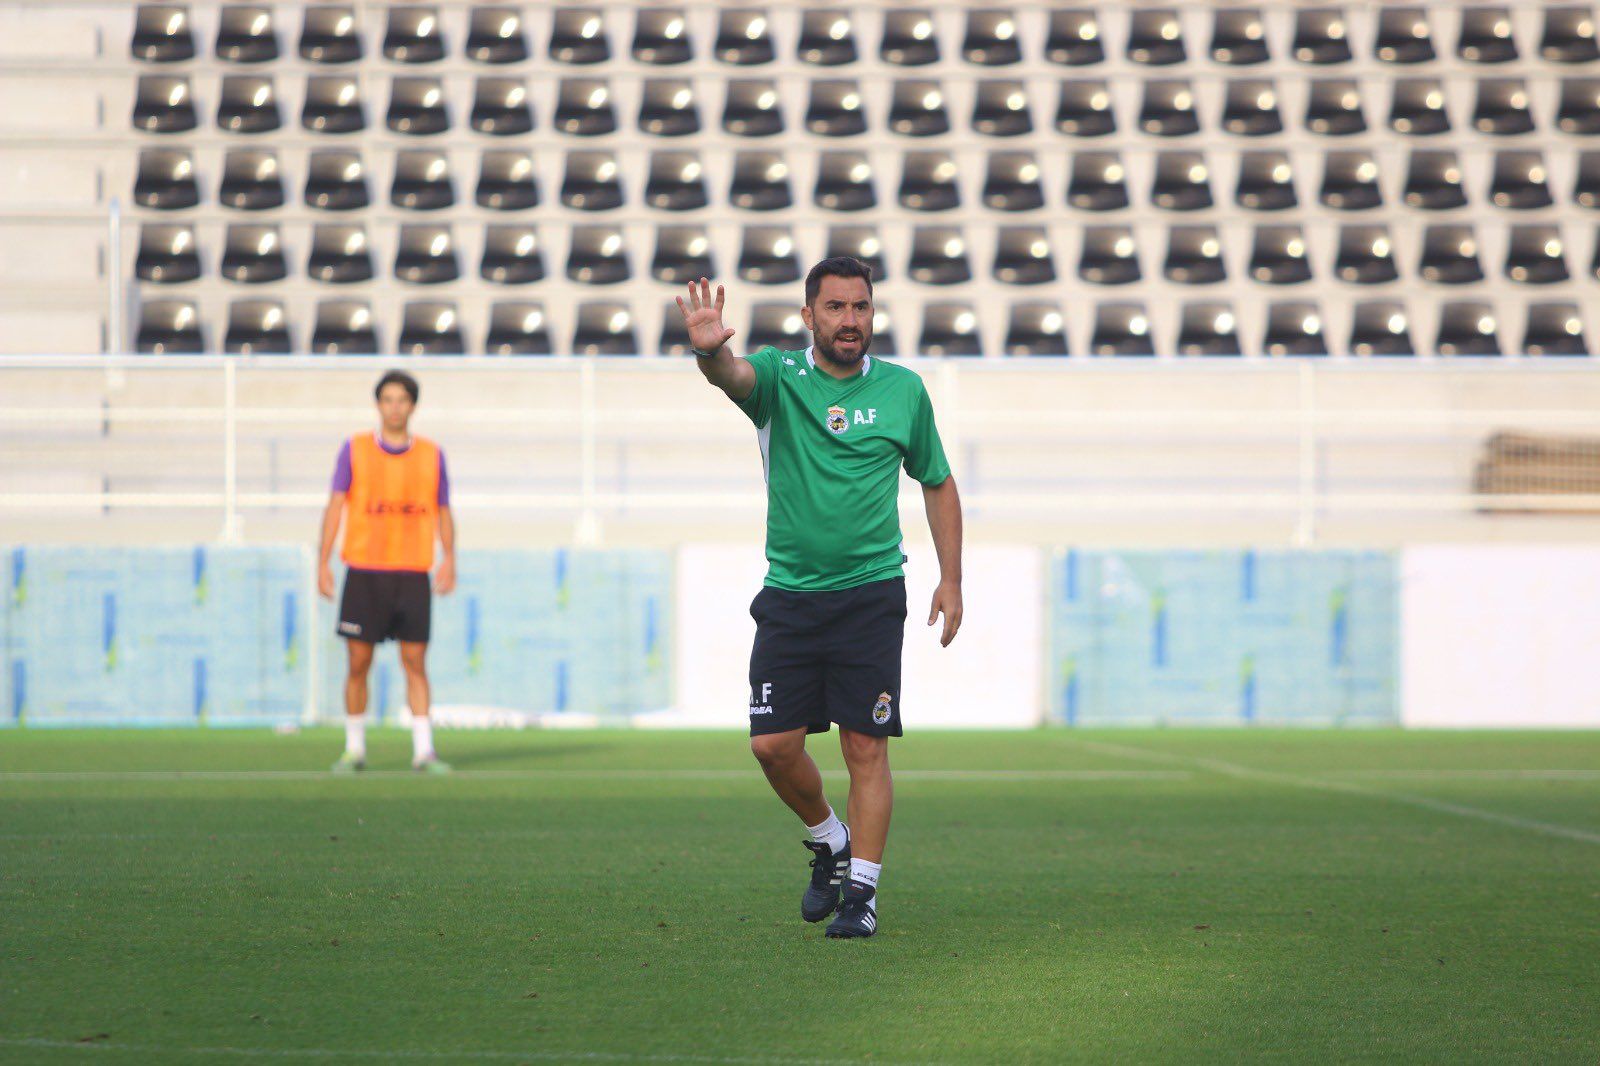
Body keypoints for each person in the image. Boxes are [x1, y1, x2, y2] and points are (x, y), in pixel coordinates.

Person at [677, 259, 964, 939]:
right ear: (809, 317)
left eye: (860, 308)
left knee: (866, 747)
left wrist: (951, 578)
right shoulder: (779, 378)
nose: (850, 321)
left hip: (870, 596)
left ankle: (861, 893)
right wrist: (711, 349)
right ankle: (829, 840)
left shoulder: (903, 391)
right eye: (835, 308)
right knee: (772, 747)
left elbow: (938, 481)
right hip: (790, 596)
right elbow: (732, 377)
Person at [317, 369, 456, 774]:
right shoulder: (355, 449)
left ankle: (424, 751)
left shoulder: (431, 454)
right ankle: (354, 749)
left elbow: (444, 510)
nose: (395, 407)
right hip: (364, 570)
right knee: (358, 663)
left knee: (415, 662)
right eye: (388, 399)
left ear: (413, 406)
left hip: (412, 572)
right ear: (378, 405)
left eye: (402, 400)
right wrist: (323, 561)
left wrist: (450, 558)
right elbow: (335, 505)